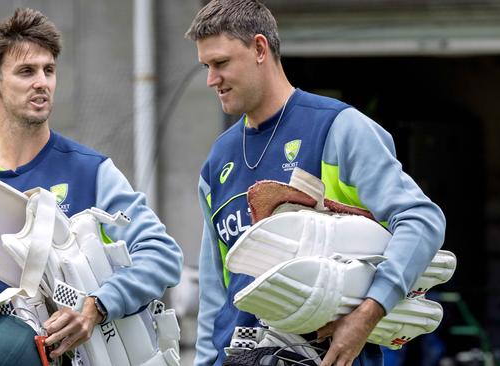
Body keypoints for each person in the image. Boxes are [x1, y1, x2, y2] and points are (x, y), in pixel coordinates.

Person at [0, 8, 183, 365]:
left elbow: (161, 255)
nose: (42, 82)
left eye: (48, 70)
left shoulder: (91, 171)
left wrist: (96, 305)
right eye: (26, 71)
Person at [184, 1, 446, 365]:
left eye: (221, 63)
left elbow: (422, 220)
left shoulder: (338, 129)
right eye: (206, 67)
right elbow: (216, 287)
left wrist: (368, 312)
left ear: (260, 49)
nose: (212, 79)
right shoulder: (218, 159)